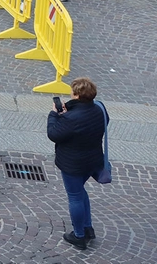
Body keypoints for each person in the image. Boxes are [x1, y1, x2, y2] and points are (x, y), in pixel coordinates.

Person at [47, 77, 108, 250]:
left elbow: (53, 134)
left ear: (76, 95)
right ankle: (88, 228)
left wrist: (54, 115)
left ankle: (79, 235)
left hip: (73, 164)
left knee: (74, 196)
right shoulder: (99, 110)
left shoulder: (71, 118)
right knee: (80, 192)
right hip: (93, 160)